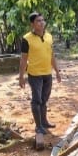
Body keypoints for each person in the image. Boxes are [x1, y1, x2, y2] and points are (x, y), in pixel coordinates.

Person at [18, 12, 63, 142]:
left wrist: (57, 72)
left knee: (44, 99)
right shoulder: (27, 39)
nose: (41, 23)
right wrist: (21, 77)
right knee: (36, 100)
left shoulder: (49, 37)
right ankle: (38, 126)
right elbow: (23, 59)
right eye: (38, 21)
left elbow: (51, 56)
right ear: (32, 24)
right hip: (34, 74)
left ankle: (44, 122)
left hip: (47, 73)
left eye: (42, 20)